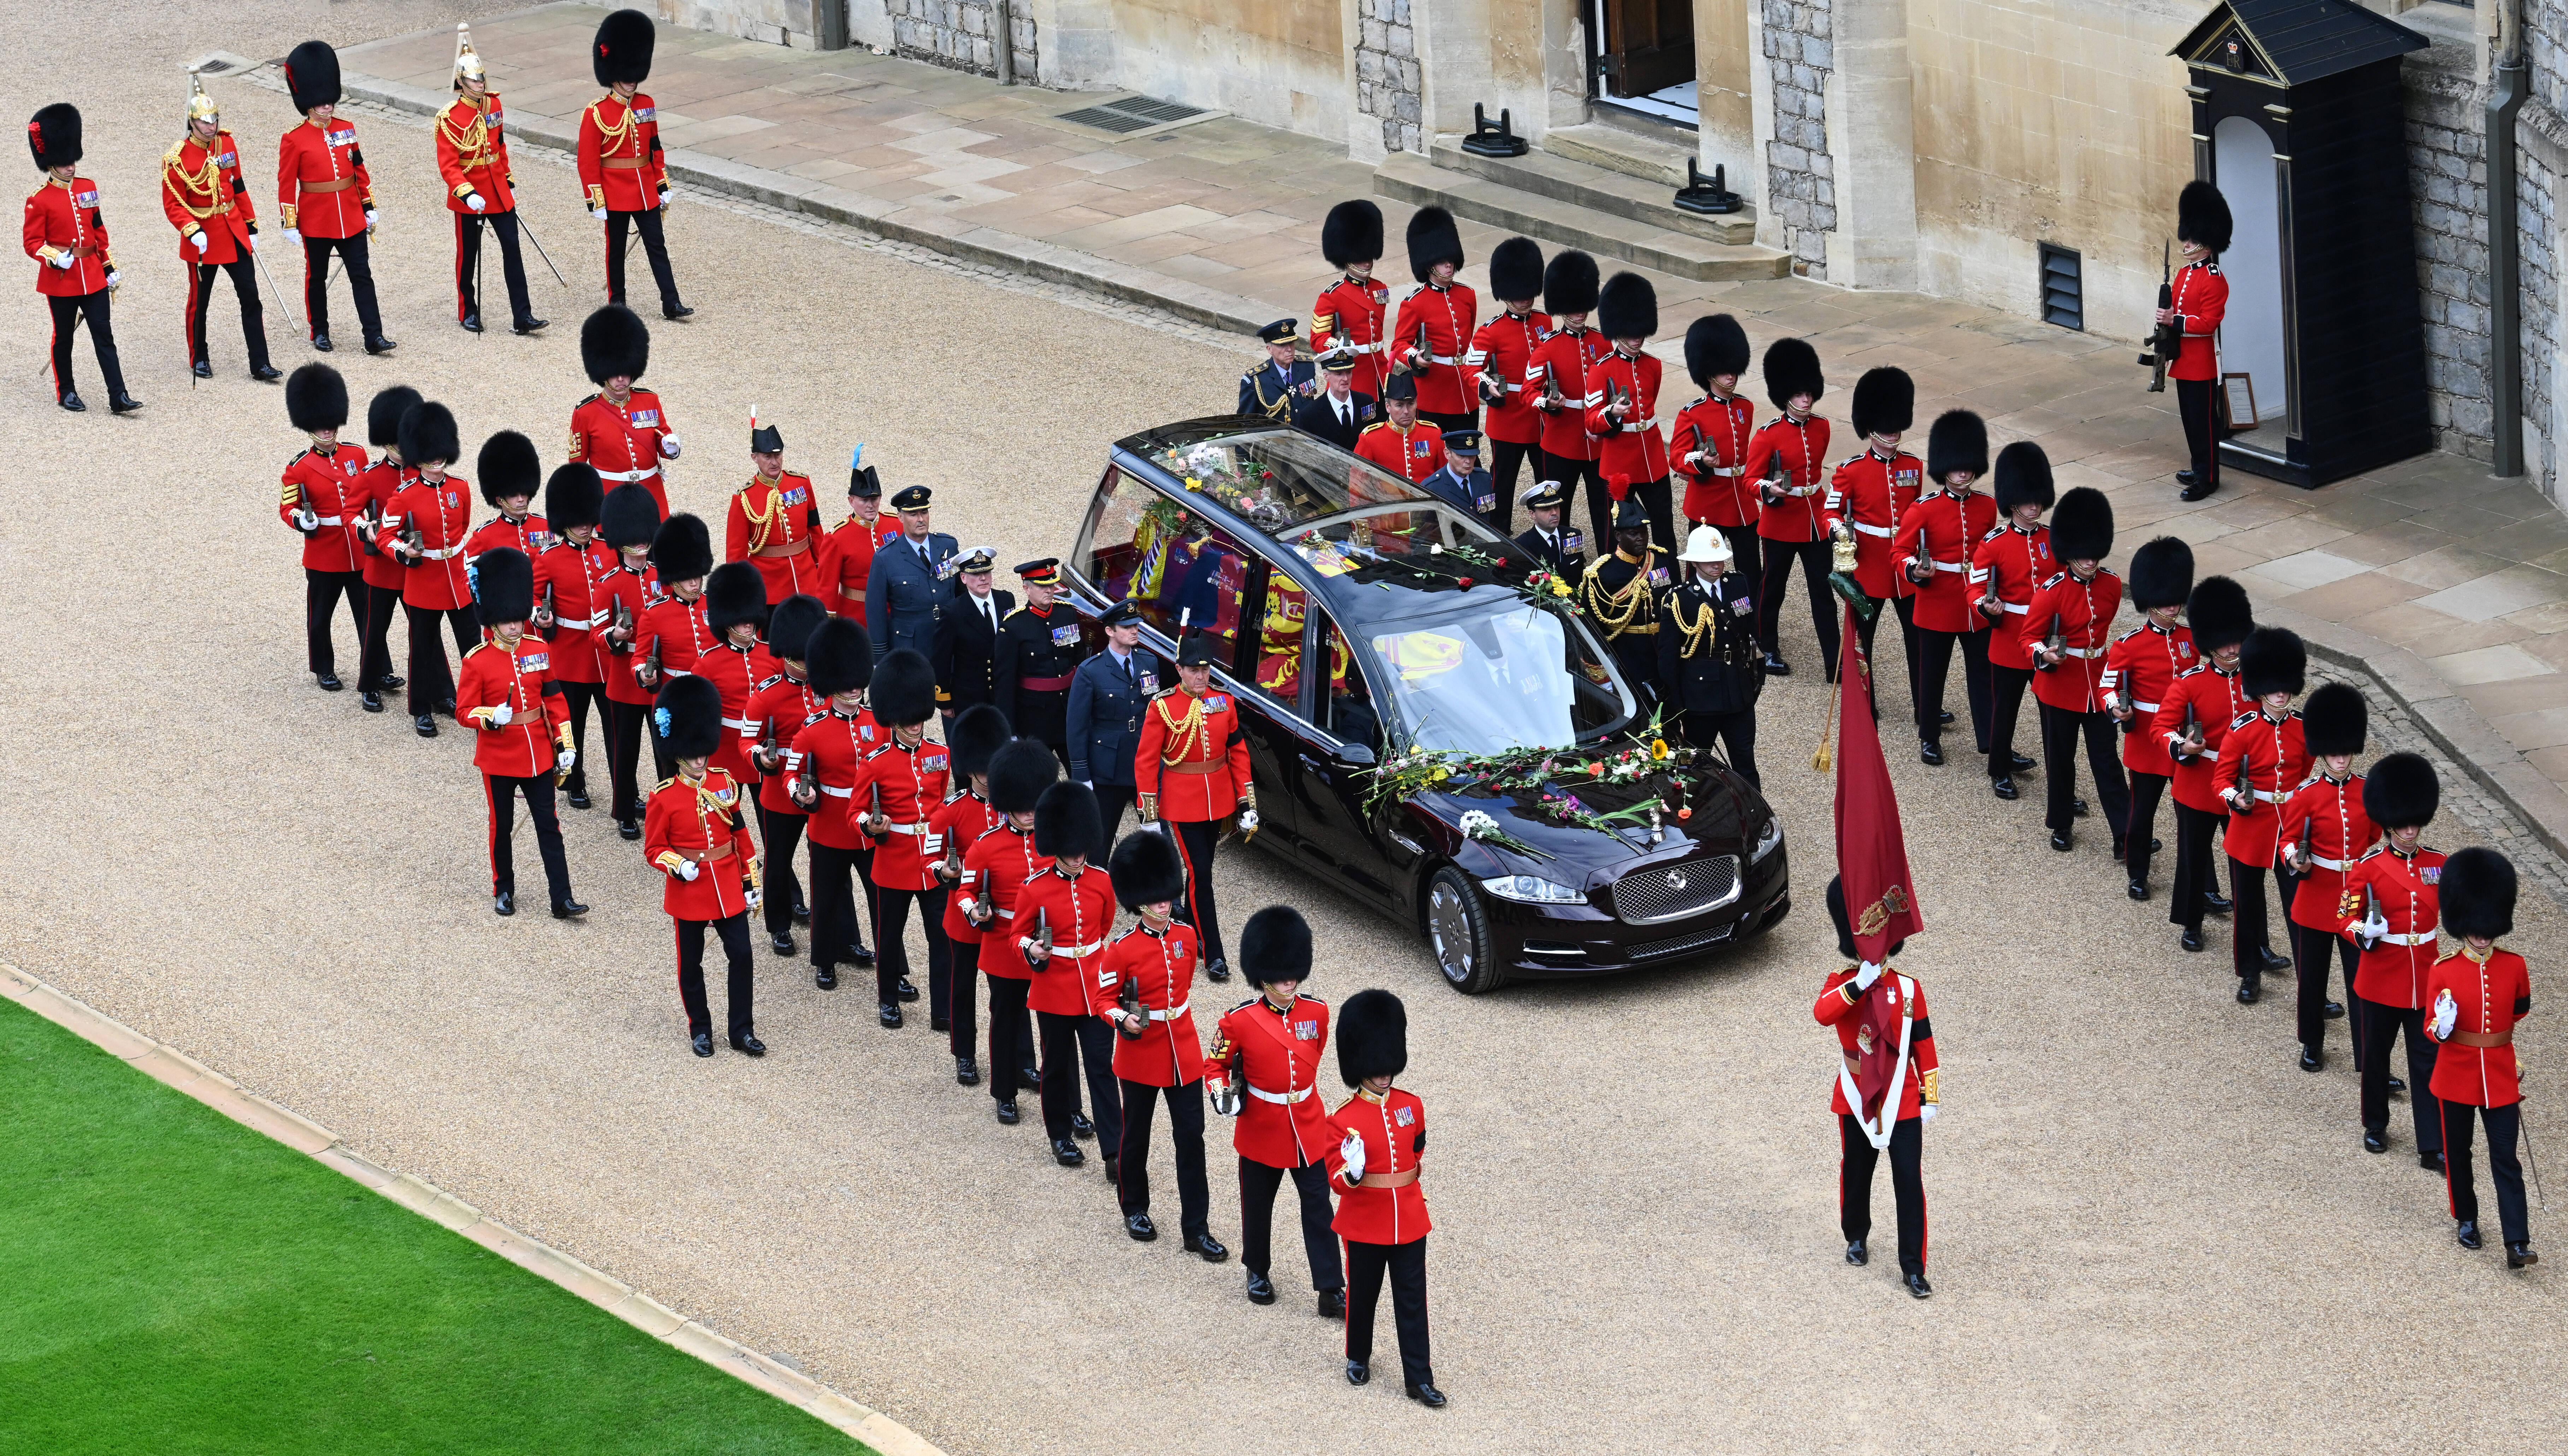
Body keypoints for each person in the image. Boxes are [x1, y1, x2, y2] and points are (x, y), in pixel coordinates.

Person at [1206, 907, 1345, 1314]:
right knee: (1258, 1203)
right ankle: (1257, 1270)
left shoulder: (1316, 1012)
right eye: (1281, 973)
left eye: (1293, 973)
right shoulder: (1237, 1021)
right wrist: (1223, 1096)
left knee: (1319, 1206)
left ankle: (1330, 1287)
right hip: (1261, 1125)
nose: (1290, 980)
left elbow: (1313, 1058)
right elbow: (1214, 1065)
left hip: (1306, 1123)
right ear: (1262, 973)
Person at [1101, 830, 1227, 1258]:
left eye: (1165, 893)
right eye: (1154, 895)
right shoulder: (1121, 949)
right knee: (1136, 1137)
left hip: (1183, 1050)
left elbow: (1184, 986)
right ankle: (1134, 1207)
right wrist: (1123, 1018)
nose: (1163, 901)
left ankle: (1196, 1227)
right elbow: (1103, 999)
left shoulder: (1187, 936)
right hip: (1140, 1052)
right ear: (1138, 898)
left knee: (1191, 1139)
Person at [1816, 877, 1940, 1300]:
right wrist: (1858, 982)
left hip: (1902, 1095)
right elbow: (1823, 1013)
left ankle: (1913, 1267)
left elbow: (1923, 1043)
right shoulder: (1842, 982)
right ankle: (1856, 1235)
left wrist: (1931, 1094)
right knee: (1857, 1169)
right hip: (1856, 1093)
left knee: (1908, 1179)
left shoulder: (1908, 988)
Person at [1326, 988, 1442, 1406]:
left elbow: (1417, 1151)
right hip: (1365, 1221)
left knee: (1412, 1300)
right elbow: (1335, 1180)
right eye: (1375, 1068)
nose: (1383, 1074)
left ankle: (1419, 1377)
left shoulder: (1411, 1105)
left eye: (1387, 1067)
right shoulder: (1342, 1119)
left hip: (1410, 1218)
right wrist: (1354, 1172)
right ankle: (1358, 1355)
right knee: (1363, 1294)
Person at [457, 546, 583, 920]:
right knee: (502, 827)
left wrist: (565, 743)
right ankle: (504, 889)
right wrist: (490, 716)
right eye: (509, 620)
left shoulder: (538, 649)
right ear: (494, 620)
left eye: (518, 618)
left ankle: (562, 898)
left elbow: (555, 700)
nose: (515, 625)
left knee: (550, 828)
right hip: (499, 755)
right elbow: (464, 711)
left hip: (540, 753)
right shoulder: (476, 660)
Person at [2424, 847, 2537, 1269]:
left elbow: (2519, 1009)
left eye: (2488, 928)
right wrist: (2445, 1025)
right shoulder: (2443, 969)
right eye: (2475, 927)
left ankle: (2517, 1241)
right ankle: (2467, 1217)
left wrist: (2504, 1050)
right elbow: (2430, 1028)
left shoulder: (2514, 965)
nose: (2482, 935)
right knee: (2459, 1152)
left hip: (2501, 1076)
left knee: (2506, 1157)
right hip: (2455, 1073)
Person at [2339, 752, 2447, 1168]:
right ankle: (2375, 1123)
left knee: (2426, 1062)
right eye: (2402, 824)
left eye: (2414, 823)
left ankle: (2430, 1143)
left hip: (2424, 976)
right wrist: (2362, 932)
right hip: (2382, 975)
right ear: (2388, 824)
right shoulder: (2369, 866)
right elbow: (2342, 915)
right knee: (2376, 1055)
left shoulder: (2438, 864)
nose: (2409, 831)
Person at [646, 675, 763, 1057]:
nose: (700, 759)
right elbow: (655, 849)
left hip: (727, 881)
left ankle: (741, 1030)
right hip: (690, 888)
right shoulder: (663, 797)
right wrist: (678, 865)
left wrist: (751, 879)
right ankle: (700, 1028)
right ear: (678, 751)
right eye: (693, 752)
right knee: (691, 963)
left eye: (703, 751)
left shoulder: (724, 783)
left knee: (742, 955)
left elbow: (741, 835)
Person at [1138, 631, 1255, 982]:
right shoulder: (1162, 707)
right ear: (1179, 669)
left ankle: (1189, 925)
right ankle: (1213, 953)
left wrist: (1246, 802)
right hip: (1181, 803)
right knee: (1201, 874)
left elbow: (1237, 753)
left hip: (1218, 802)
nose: (1201, 676)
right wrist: (1149, 813)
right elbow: (1145, 762)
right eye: (1193, 670)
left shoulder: (1225, 702)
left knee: (1201, 869)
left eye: (1205, 669)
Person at [1021, 782, 1125, 1173]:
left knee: (1102, 1066)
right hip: (1054, 989)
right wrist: (1032, 949)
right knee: (1056, 1065)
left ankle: (1114, 1150)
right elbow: (1018, 933)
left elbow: (1104, 924)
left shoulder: (1101, 880)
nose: (1079, 854)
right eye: (1071, 848)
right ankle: (1059, 1135)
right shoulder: (1035, 889)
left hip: (1096, 988)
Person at [2023, 482, 2130, 855]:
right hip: (2059, 685)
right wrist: (2044, 655)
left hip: (2098, 682)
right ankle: (2061, 822)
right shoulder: (2051, 591)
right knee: (2061, 759)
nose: (2089, 561)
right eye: (2082, 554)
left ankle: (2125, 833)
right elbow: (2029, 636)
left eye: (2093, 554)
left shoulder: (2112, 584)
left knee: (2106, 760)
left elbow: (2101, 634)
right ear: (2069, 554)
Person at [786, 618, 885, 996]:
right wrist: (802, 794)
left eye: (858, 681)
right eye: (847, 683)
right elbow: (792, 773)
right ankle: (825, 960)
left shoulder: (877, 722)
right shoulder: (813, 728)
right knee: (826, 899)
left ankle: (893, 969)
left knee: (883, 904)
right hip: (830, 824)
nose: (855, 688)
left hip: (872, 828)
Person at [963, 739, 1060, 1120]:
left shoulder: (1055, 839)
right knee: (1005, 1020)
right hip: (1004, 945)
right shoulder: (986, 846)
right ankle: (1004, 1091)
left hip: (1047, 941)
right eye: (1021, 807)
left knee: (1053, 1028)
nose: (1029, 813)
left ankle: (1061, 1100)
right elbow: (967, 891)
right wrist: (975, 910)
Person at [275, 42, 392, 355]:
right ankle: (320, 331)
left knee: (362, 276)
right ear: (309, 103)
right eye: (322, 103)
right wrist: (289, 222)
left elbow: (358, 170)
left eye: (330, 102)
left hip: (352, 215)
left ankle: (374, 336)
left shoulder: (347, 129)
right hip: (316, 219)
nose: (328, 107)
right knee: (317, 279)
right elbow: (286, 184)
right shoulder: (294, 139)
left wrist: (368, 206)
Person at [2212, 627, 2308, 1004]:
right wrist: (2237, 798)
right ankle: (2250, 974)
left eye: (2285, 687)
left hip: (2290, 829)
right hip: (2252, 826)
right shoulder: (2242, 730)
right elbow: (2220, 780)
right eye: (2274, 687)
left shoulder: (2302, 727)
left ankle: (2310, 988)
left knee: (2300, 913)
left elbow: (2303, 775)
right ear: (2260, 688)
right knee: (2248, 910)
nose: (2281, 693)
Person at [856, 650, 950, 1031]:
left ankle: (942, 1009)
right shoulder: (875, 761)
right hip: (893, 858)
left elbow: (940, 801)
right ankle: (888, 1000)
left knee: (941, 941)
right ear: (893, 719)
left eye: (920, 720)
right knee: (889, 937)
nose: (916, 726)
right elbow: (856, 809)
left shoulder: (940, 754)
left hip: (932, 861)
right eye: (909, 721)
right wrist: (870, 826)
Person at [1823, 366, 1923, 726]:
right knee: (1862, 641)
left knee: (1920, 644)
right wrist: (1840, 533)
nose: (1891, 431)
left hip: (1905, 568)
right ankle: (1865, 700)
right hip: (1869, 566)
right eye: (1884, 426)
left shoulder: (1913, 465)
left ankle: (1924, 705)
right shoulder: (1851, 470)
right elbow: (1831, 510)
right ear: (1870, 430)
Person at [2280, 683, 2372, 1072]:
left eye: (2345, 751)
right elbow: (2287, 839)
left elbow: (2375, 841)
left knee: (2361, 985)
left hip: (2354, 900)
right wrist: (2295, 860)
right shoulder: (2304, 794)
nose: (2339, 758)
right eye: (2333, 752)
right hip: (2316, 893)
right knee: (2313, 981)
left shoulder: (2369, 792)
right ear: (2321, 753)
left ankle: (2368, 1057)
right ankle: (2312, 1042)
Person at [2154, 575, 2249, 949]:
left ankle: (2252, 937)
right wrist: (2182, 746)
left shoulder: (2255, 680)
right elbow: (2161, 727)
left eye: (2236, 641)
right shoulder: (2190, 682)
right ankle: (2191, 923)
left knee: (2245, 867)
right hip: (2197, 782)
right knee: (2194, 860)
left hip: (2241, 784)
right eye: (2224, 643)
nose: (2232, 648)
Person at [163, 76, 277, 381]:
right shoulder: (177, 158)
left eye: (213, 120)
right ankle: (199, 356)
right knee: (200, 302)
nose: (210, 126)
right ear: (192, 123)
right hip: (203, 238)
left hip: (233, 231)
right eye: (204, 122)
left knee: (251, 297)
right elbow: (173, 204)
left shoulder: (227, 143)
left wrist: (250, 222)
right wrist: (191, 229)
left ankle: (260, 363)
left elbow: (237, 185)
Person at [26, 103, 137, 414]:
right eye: (63, 163)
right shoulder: (39, 201)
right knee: (64, 339)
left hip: (93, 275)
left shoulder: (88, 188)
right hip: (62, 279)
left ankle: (119, 396)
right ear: (51, 164)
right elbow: (32, 243)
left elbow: (98, 230)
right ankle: (67, 392)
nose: (70, 167)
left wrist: (109, 266)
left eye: (71, 160)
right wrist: (54, 257)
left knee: (105, 337)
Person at [2100, 537, 2195, 898]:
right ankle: (2138, 874)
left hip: (2185, 739)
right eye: (2166, 599)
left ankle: (2203, 885)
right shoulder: (2130, 644)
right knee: (2142, 814)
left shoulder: (2190, 639)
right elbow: (2107, 687)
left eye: (2177, 598)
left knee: (2193, 819)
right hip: (2146, 740)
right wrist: (2116, 708)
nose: (2173, 605)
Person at [580, 8, 689, 319]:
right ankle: (618, 302)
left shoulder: (647, 105)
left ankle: (671, 302)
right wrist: (595, 198)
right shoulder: (596, 113)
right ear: (613, 75)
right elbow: (588, 162)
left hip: (644, 190)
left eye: (634, 77)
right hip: (614, 190)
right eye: (626, 78)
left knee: (657, 246)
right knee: (616, 252)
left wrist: (662, 183)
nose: (631, 83)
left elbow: (655, 148)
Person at [1899, 410, 1994, 767]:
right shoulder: (1923, 509)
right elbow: (1900, 552)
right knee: (1931, 675)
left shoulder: (1986, 505)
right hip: (1937, 600)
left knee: (1984, 677)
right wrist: (1915, 570)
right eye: (1956, 466)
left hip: (1975, 605)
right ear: (1945, 467)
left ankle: (1989, 740)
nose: (1963, 472)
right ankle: (1929, 737)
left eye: (1968, 466)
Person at [378, 401, 477, 737]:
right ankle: (421, 708)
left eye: (440, 454)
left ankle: (479, 708)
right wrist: (403, 551)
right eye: (430, 456)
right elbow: (384, 536)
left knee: (474, 649)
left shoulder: (460, 488)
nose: (437, 462)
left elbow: (462, 526)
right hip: (424, 580)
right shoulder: (404, 496)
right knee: (422, 650)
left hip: (458, 579)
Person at [436, 25, 543, 336]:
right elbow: (449, 165)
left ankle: (522, 316)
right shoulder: (449, 118)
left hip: (496, 190)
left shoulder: (494, 105)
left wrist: (507, 178)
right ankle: (468, 310)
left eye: (481, 79)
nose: (479, 85)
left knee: (513, 249)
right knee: (468, 255)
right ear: (461, 82)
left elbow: (499, 146)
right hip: (469, 194)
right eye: (473, 80)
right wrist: (467, 194)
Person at [744, 593, 830, 954]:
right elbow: (747, 740)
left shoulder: (828, 685)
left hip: (827, 785)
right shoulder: (767, 695)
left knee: (830, 866)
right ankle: (778, 924)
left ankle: (836, 933)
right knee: (778, 860)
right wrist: (761, 757)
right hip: (780, 787)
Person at [1971, 440, 2056, 797]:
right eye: (2026, 500)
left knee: (2054, 721)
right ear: (2012, 501)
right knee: (2005, 711)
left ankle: (2060, 786)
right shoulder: (1993, 543)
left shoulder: (2054, 540)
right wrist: (1985, 607)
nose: (2034, 506)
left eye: (2037, 499)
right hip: (2009, 639)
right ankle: (1999, 768)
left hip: (2047, 641)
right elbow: (1975, 589)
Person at [931, 704, 1009, 1084]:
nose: (987, 777)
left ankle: (1018, 1060)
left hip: (1005, 917)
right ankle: (964, 1053)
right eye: (981, 770)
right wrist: (944, 872)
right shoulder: (951, 811)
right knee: (962, 988)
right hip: (964, 914)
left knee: (1008, 995)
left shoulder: (1014, 808)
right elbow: (930, 856)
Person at [1746, 338, 1832, 678]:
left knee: (1823, 593)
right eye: (1799, 394)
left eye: (1809, 393)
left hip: (1814, 520)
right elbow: (1750, 480)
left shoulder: (1822, 427)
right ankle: (1766, 647)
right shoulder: (1768, 435)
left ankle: (1833, 662)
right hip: (1781, 521)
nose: (1806, 399)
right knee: (1773, 589)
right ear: (1786, 396)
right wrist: (1770, 488)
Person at [280, 364, 368, 693]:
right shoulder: (299, 468)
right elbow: (287, 507)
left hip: (358, 551)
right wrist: (301, 521)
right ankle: (323, 668)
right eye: (320, 426)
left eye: (330, 424)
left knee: (370, 618)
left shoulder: (357, 454)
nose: (327, 430)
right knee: (320, 619)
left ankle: (378, 667)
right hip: (323, 553)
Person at [1657, 526, 1762, 785]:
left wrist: (1755, 681)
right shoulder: (1679, 599)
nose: (1717, 565)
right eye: (1709, 560)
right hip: (1700, 696)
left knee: (1745, 763)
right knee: (1699, 767)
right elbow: (1668, 657)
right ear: (1694, 562)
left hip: (1737, 689)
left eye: (1720, 558)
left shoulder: (1738, 583)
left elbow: (1750, 634)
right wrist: (1678, 704)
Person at [532, 464, 610, 810]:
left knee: (616, 732)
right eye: (576, 520)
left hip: (606, 656)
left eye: (587, 519)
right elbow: (532, 598)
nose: (583, 525)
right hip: (569, 653)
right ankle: (571, 780)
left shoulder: (608, 551)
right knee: (569, 728)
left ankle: (625, 791)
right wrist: (541, 615)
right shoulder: (549, 558)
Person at [1583, 272, 1674, 552]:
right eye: (1631, 333)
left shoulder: (1653, 365)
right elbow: (1590, 420)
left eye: (1641, 333)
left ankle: (1666, 578)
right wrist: (1612, 413)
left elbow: (1650, 402)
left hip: (1653, 456)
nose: (1637, 339)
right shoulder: (1601, 369)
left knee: (1663, 525)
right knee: (1619, 527)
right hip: (1620, 462)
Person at [1464, 236, 1548, 530]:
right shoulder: (1491, 331)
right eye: (1520, 293)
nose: (1526, 298)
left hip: (1541, 419)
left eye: (1529, 292)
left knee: (1547, 486)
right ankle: (1499, 534)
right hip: (1508, 419)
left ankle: (1547, 533)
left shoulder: (1544, 323)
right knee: (1503, 487)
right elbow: (1471, 368)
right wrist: (1487, 386)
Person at [594, 483, 663, 838]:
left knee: (665, 749)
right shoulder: (608, 584)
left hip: (658, 678)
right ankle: (624, 808)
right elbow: (597, 632)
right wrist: (615, 637)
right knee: (626, 751)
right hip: (624, 678)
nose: (640, 546)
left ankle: (669, 810)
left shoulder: (660, 577)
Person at [1529, 250, 1610, 547]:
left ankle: (1607, 560)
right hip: (1562, 440)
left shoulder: (1601, 341)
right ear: (1563, 310)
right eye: (1573, 309)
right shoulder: (1548, 346)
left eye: (1583, 308)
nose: (1579, 314)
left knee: (1604, 510)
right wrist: (1547, 403)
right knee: (1556, 510)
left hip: (1597, 441)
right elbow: (1529, 390)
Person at [1672, 314, 1759, 590]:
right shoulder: (1692, 412)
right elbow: (1677, 457)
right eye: (1724, 371)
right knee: (1701, 575)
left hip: (1742, 501)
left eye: (1733, 369)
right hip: (1708, 502)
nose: (1731, 375)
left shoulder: (1746, 407)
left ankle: (1753, 628)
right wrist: (1700, 460)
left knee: (1751, 573)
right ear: (1709, 373)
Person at [569, 305, 679, 516]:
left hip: (650, 493)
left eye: (626, 372)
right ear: (603, 373)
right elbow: (578, 469)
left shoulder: (649, 400)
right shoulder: (586, 413)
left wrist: (670, 447)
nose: (621, 379)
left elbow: (661, 437)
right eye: (614, 373)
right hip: (611, 499)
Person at [351, 385, 421, 712]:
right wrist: (366, 529)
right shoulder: (370, 476)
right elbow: (349, 513)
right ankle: (369, 684)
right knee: (376, 630)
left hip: (415, 567)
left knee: (425, 634)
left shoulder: (423, 474)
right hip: (381, 565)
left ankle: (437, 688)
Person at [1068, 602, 1162, 837]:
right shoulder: (1091, 671)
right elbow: (1077, 726)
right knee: (1100, 838)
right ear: (1110, 631)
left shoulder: (1148, 662)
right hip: (1108, 766)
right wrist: (1081, 774)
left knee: (1158, 834)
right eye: (1127, 626)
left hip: (1143, 761)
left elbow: (1154, 710)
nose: (1134, 631)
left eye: (1136, 626)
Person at [2163, 181, 2230, 503]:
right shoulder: (2184, 273)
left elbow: (2207, 323)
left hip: (2202, 364)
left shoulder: (2214, 279)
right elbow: (2177, 307)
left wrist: (2173, 321)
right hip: (2182, 360)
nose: (2186, 243)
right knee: (2190, 422)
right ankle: (2197, 466)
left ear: (2205, 244)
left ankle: (2208, 477)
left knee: (2204, 425)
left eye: (2191, 239)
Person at [1576, 497, 1669, 712]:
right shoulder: (1602, 574)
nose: (1641, 538)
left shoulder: (1660, 560)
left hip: (1663, 649)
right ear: (1618, 536)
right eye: (1633, 534)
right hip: (1628, 655)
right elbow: (1590, 629)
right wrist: (1600, 676)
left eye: (1643, 532)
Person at [1390, 206, 1476, 433]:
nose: (1449, 265)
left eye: (1451, 259)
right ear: (1429, 264)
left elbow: (1466, 339)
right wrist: (1415, 358)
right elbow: (1400, 344)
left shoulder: (1467, 295)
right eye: (1442, 261)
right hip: (1434, 392)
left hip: (1465, 391)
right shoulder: (1415, 303)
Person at [692, 563, 776, 797]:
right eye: (741, 620)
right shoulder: (709, 662)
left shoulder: (771, 655)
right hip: (727, 750)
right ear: (727, 622)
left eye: (751, 617)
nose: (748, 624)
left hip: (765, 746)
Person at [726, 412, 826, 604]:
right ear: (754, 458)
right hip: (770, 586)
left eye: (778, 455)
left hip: (807, 578)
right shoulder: (743, 498)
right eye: (767, 457)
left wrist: (821, 568)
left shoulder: (802, 483)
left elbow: (814, 528)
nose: (775, 462)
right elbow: (736, 553)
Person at [994, 559, 1082, 767]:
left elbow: (1079, 660)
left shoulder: (1067, 614)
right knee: (1036, 779)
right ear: (1027, 589)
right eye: (1043, 586)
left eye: (1052, 585)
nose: (1050, 590)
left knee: (1080, 775)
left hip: (1068, 710)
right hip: (1034, 717)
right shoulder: (1014, 626)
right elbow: (1004, 684)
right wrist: (1010, 730)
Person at [632, 514, 715, 728]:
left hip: (712, 693)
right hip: (674, 694)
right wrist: (643, 673)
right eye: (688, 578)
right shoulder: (655, 613)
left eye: (698, 576)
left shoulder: (715, 605)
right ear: (674, 579)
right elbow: (640, 657)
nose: (695, 583)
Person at [865, 485, 959, 663]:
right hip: (909, 649)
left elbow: (962, 593)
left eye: (924, 512)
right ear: (900, 517)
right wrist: (880, 659)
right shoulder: (886, 558)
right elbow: (876, 612)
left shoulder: (948, 546)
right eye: (913, 514)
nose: (921, 519)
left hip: (949, 643)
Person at [1310, 200, 1391, 400]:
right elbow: (1317, 338)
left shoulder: (1379, 288)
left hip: (1380, 370)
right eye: (1359, 257)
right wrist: (1337, 346)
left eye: (1368, 256)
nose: (1366, 261)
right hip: (1354, 371)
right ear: (1347, 258)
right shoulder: (1332, 295)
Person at [934, 548, 1011, 717]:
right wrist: (944, 700)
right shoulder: (953, 612)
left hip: (1004, 693)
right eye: (976, 574)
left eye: (986, 572)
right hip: (971, 698)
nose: (983, 578)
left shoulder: (1006, 600)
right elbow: (942, 659)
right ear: (963, 578)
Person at [824, 458, 899, 627]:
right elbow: (827, 589)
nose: (871, 505)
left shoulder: (897, 525)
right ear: (852, 501)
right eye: (864, 501)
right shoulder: (837, 538)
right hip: (855, 617)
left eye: (874, 499)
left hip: (895, 612)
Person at [464, 429, 550, 559]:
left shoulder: (545, 525)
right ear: (500, 500)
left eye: (524, 494)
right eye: (513, 495)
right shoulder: (485, 535)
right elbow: (468, 574)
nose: (521, 500)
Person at [1353, 373, 1444, 484]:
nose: (1406, 411)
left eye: (1411, 404)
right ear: (1388, 407)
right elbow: (1358, 484)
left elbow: (1444, 478)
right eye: (1400, 405)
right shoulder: (1370, 439)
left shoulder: (1433, 433)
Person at [1292, 345, 1375, 450]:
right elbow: (1307, 454)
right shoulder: (1311, 414)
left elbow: (1373, 440)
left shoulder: (1366, 403)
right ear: (1326, 376)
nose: (1345, 379)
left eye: (1349, 372)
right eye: (1339, 374)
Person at [1238, 318, 1316, 422]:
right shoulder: (1256, 381)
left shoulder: (1307, 367)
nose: (1289, 349)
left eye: (1292, 343)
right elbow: (1246, 422)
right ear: (1269, 349)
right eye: (1282, 345)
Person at [1512, 479, 1585, 586]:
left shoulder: (1573, 535)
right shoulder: (1522, 545)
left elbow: (1579, 573)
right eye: (1546, 509)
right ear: (1532, 514)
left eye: (1556, 507)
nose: (1554, 513)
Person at [1416, 429, 1496, 524]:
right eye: (1462, 456)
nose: (1468, 461)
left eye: (1472, 456)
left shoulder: (1484, 479)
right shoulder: (1433, 488)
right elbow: (1424, 532)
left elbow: (1493, 519)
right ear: (1447, 454)